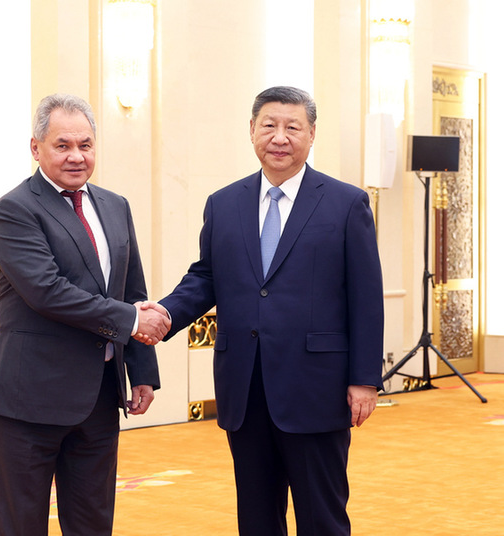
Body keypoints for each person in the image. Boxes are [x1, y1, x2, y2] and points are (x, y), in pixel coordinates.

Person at [140, 86, 384, 535]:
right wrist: (167, 314)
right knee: (256, 518)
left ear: (312, 134)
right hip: (245, 387)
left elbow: (366, 297)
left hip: (316, 388)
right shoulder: (224, 203)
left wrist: (365, 379)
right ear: (251, 129)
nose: (280, 137)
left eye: (293, 127)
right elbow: (207, 277)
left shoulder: (346, 203)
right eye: (269, 125)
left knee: (322, 518)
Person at [0, 93, 169, 536]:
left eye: (85, 144)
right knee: (22, 524)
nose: (76, 156)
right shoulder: (14, 209)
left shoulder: (115, 206)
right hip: (30, 397)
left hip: (99, 396)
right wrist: (132, 321)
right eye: (62, 145)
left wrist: (141, 371)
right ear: (36, 147)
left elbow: (133, 292)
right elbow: (47, 292)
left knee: (92, 523)